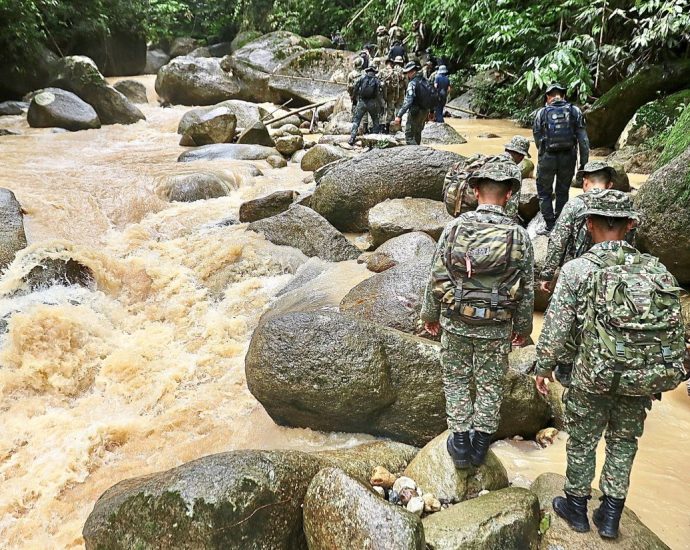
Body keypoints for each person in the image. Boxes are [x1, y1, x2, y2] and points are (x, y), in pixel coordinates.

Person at [535, 191, 689, 539]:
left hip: (593, 373)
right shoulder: (656, 271)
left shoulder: (577, 270)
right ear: (631, 225)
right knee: (624, 440)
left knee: (582, 438)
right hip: (642, 374)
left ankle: (575, 506)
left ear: (589, 224)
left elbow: (556, 327)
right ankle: (610, 514)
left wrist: (543, 368)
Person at [421, 158, 534, 469]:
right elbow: (526, 287)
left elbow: (436, 274)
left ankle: (459, 442)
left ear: (474, 190)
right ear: (509, 194)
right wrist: (523, 329)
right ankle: (480, 443)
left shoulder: (454, 228)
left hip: (456, 320)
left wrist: (429, 315)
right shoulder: (519, 235)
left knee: (455, 378)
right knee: (490, 383)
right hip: (496, 325)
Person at [533, 83, 590, 233]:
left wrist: (545, 153)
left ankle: (550, 225)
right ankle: (560, 223)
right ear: (563, 96)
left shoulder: (541, 113)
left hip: (547, 158)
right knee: (563, 190)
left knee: (544, 192)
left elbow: (537, 139)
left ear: (547, 97)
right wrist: (583, 165)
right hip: (568, 157)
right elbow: (583, 141)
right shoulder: (575, 111)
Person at [394, 62, 428, 145]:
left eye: (408, 73)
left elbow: (408, 101)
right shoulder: (425, 81)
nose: (407, 75)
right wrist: (431, 112)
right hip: (425, 111)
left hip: (415, 111)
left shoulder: (412, 83)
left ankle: (414, 156)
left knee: (409, 136)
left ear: (412, 72)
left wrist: (399, 115)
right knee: (417, 133)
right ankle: (419, 154)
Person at [349, 66, 382, 145]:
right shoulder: (376, 80)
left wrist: (353, 99)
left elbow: (355, 88)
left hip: (362, 102)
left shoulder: (362, 78)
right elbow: (378, 94)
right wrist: (380, 105)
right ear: (374, 72)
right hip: (372, 103)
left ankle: (352, 137)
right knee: (375, 121)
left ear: (367, 71)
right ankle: (375, 140)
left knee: (356, 120)